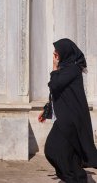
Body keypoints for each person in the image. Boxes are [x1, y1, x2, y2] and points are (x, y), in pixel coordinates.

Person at [38, 38, 97, 182]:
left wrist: (54, 66)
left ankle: (71, 177)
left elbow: (55, 85)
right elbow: (58, 93)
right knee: (70, 152)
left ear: (65, 52)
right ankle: (78, 178)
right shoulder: (67, 69)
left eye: (57, 52)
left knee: (52, 149)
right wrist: (47, 110)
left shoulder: (73, 69)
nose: (55, 55)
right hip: (67, 116)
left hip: (71, 117)